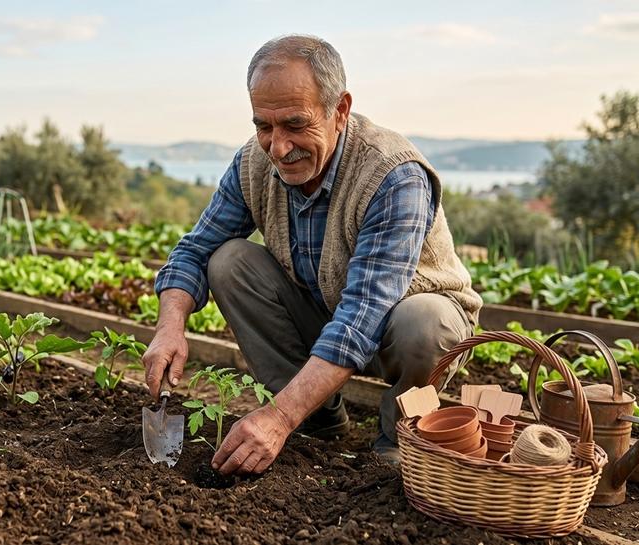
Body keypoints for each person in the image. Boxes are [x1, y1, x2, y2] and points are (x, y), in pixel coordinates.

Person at [142, 34, 481, 475]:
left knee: (424, 322)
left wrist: (277, 416)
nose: (278, 147)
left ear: (339, 111)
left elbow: (363, 314)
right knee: (228, 261)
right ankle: (318, 422)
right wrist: (170, 326)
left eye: (296, 124)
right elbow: (194, 250)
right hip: (324, 310)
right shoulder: (254, 163)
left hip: (402, 324)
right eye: (264, 126)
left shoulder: (393, 175)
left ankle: (400, 439)